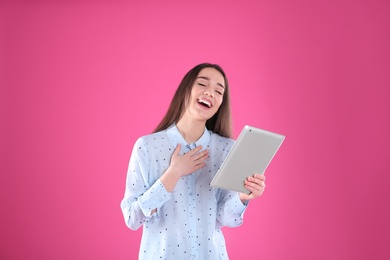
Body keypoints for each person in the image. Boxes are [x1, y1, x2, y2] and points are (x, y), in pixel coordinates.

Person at [120, 63, 266, 259]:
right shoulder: (147, 147)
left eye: (218, 91)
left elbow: (224, 218)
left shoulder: (226, 149)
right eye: (202, 84)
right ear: (186, 89)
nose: (210, 93)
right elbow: (132, 218)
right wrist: (173, 174)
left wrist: (242, 197)